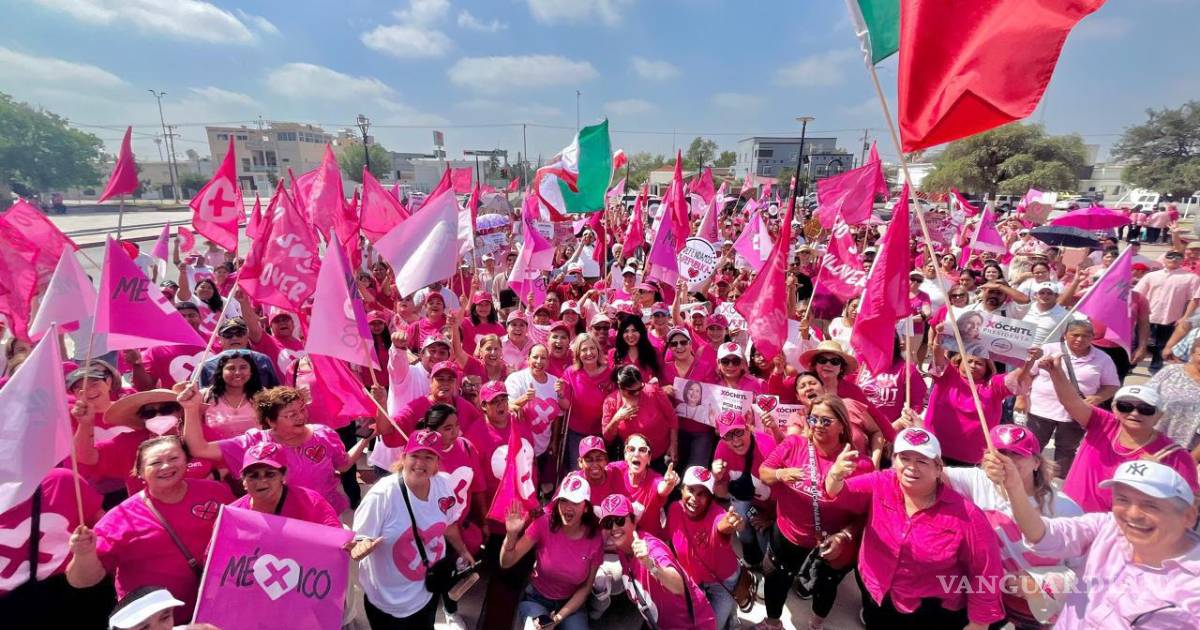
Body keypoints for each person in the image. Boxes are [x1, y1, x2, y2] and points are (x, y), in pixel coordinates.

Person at [824, 428, 1005, 628]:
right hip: (876, 592)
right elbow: (839, 494)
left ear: (939, 468)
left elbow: (986, 572)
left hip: (930, 611)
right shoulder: (881, 482)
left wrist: (979, 624)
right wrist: (835, 476)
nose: (911, 467)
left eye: (922, 461)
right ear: (894, 461)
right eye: (904, 458)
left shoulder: (967, 516)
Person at [995, 458, 1200, 627]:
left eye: (1151, 505)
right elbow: (1041, 534)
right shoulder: (1107, 526)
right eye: (1123, 499)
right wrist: (1014, 486)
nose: (1133, 514)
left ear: (1189, 516)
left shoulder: (1193, 591)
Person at [66, 436, 234, 624]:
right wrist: (83, 554)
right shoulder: (119, 519)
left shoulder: (216, 492)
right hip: (157, 623)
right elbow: (82, 581)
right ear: (139, 472)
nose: (166, 466)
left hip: (217, 613)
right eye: (155, 462)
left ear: (187, 461)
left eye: (173, 458)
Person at [943, 425, 1083, 628]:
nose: (1007, 460)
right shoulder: (978, 481)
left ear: (1036, 462)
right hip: (989, 595)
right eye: (1000, 453)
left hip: (1037, 606)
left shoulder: (1065, 508)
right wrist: (921, 434)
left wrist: (1038, 583)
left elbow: (1084, 571)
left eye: (1018, 454)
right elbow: (930, 472)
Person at [759, 395, 872, 630]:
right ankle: (772, 623)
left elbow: (865, 514)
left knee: (825, 586)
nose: (817, 425)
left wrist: (844, 536)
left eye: (826, 421)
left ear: (843, 425)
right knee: (776, 578)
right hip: (788, 535)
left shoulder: (859, 464)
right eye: (813, 419)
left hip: (830, 543)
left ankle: (815, 625)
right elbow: (764, 472)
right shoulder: (793, 445)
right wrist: (780, 474)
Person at [1036, 359, 1199, 512]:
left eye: (1146, 409)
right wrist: (1056, 373)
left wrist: (1161, 479)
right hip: (1071, 516)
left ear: (1160, 415)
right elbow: (1071, 402)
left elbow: (1190, 505)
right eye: (1125, 406)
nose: (1134, 413)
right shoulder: (1103, 423)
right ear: (1114, 409)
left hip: (1118, 528)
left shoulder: (1175, 456)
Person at [353, 429, 476, 629]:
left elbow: (449, 524)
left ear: (437, 463)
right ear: (404, 457)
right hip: (386, 601)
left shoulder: (443, 486)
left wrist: (462, 550)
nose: (420, 463)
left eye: (428, 457)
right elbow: (358, 541)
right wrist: (359, 547)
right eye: (415, 456)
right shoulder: (382, 495)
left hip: (426, 592)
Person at [180, 385, 364, 516]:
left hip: (325, 515)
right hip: (279, 522)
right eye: (291, 415)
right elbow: (199, 448)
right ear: (270, 421)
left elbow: (344, 465)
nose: (301, 417)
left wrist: (366, 439)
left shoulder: (323, 434)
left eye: (302, 410)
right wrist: (190, 408)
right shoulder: (254, 443)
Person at [0, 469, 108, 629]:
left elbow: (107, 533)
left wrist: (85, 552)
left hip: (81, 593)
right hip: (11, 612)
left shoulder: (61, 481)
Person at [596, 494, 717, 630]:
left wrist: (650, 564)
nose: (613, 528)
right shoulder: (623, 549)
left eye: (620, 520)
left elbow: (678, 586)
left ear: (634, 521)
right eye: (608, 523)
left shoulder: (651, 549)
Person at [500, 474, 604, 630]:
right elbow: (506, 562)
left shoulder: (595, 539)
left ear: (586, 507)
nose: (568, 507)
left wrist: (557, 619)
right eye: (564, 500)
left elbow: (586, 587)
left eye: (575, 502)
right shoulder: (543, 523)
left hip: (570, 604)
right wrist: (511, 535)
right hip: (537, 599)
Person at [1026, 320, 1120, 476]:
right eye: (1075, 335)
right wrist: (1022, 398)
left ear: (1093, 337)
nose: (1080, 339)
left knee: (1067, 449)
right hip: (1041, 409)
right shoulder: (1048, 349)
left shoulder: (1103, 359)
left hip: (1076, 413)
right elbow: (1027, 374)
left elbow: (1112, 385)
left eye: (1086, 336)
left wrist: (1097, 398)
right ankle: (1028, 477)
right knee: (1032, 447)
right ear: (1065, 335)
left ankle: (1060, 481)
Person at [925, 344, 1038, 466]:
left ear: (987, 368)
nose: (973, 365)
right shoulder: (947, 375)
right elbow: (938, 354)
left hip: (971, 458)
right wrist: (938, 341)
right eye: (969, 361)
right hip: (935, 449)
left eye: (979, 363)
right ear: (959, 361)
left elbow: (1017, 379)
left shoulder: (994, 385)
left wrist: (1028, 363)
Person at [665, 467, 745, 630]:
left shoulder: (717, 515)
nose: (694, 498)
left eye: (702, 494)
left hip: (722, 582)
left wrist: (733, 523)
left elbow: (723, 524)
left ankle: (731, 615)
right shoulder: (674, 509)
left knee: (712, 627)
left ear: (710, 498)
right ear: (682, 490)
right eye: (691, 490)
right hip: (694, 580)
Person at [712, 411, 777, 569]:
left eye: (739, 432)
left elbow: (788, 493)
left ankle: (769, 570)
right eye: (728, 436)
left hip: (774, 505)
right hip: (745, 498)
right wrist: (717, 478)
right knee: (742, 528)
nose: (735, 440)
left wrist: (771, 517)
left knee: (764, 539)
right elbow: (720, 493)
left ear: (748, 428)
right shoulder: (722, 448)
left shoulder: (768, 447)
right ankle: (751, 560)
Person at [229, 442, 341, 528]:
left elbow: (336, 538)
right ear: (244, 481)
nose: (262, 481)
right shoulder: (232, 514)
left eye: (270, 474)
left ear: (283, 476)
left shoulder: (310, 502)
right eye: (253, 476)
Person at [1135, 250, 1200, 373]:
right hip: (1147, 316)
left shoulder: (1191, 278)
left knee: (1162, 345)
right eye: (1170, 257)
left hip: (1171, 318)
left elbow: (1194, 300)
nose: (1173, 259)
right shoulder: (1151, 276)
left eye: (1178, 257)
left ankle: (1155, 369)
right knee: (1139, 342)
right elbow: (1138, 295)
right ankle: (1130, 365)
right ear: (1164, 259)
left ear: (1182, 260)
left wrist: (1185, 317)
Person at [601, 366, 679, 467]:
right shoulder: (611, 402)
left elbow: (672, 418)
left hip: (660, 455)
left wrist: (673, 445)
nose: (637, 392)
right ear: (620, 387)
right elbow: (608, 437)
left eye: (640, 388)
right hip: (634, 460)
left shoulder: (653, 392)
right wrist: (616, 419)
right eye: (632, 391)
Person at [562, 333, 615, 467]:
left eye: (592, 348)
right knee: (579, 469)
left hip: (602, 432)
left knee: (601, 470)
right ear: (578, 354)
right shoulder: (570, 373)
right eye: (584, 350)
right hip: (577, 432)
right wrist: (560, 394)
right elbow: (565, 405)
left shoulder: (610, 373)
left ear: (598, 350)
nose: (589, 353)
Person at [1146, 328, 1200, 458]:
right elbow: (1145, 398)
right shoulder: (1171, 371)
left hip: (1188, 451)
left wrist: (1192, 459)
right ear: (1192, 353)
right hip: (1151, 441)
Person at [198, 349, 264, 439]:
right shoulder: (204, 396)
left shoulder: (263, 395)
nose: (237, 373)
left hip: (256, 447)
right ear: (221, 372)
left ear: (251, 372)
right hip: (215, 448)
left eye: (243, 368)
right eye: (231, 368)